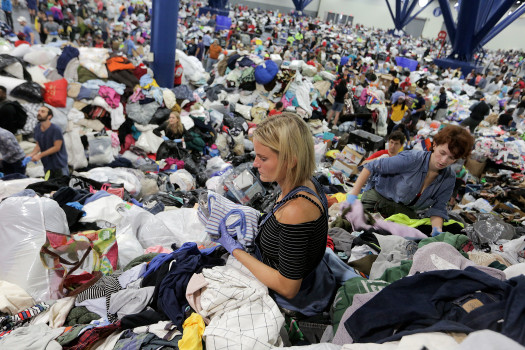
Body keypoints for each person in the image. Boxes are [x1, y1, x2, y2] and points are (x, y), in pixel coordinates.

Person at [212, 113, 332, 312]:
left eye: (263, 158)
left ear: (291, 161)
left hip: (292, 300)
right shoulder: (306, 183)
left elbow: (288, 287)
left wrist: (235, 250)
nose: (255, 164)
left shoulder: (296, 211)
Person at [345, 125, 474, 235]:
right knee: (358, 230)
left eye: (452, 158)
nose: (444, 161)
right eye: (442, 153)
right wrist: (353, 195)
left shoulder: (448, 178)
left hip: (404, 213)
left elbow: (438, 208)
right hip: (377, 203)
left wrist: (436, 229)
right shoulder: (412, 159)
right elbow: (370, 166)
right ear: (434, 145)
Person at [27, 106, 69, 179]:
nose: (39, 113)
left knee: (62, 186)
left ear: (49, 116)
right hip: (47, 164)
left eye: (43, 111)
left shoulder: (56, 129)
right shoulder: (37, 128)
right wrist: (31, 154)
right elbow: (38, 145)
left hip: (59, 164)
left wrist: (39, 156)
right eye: (39, 111)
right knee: (50, 186)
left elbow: (57, 147)